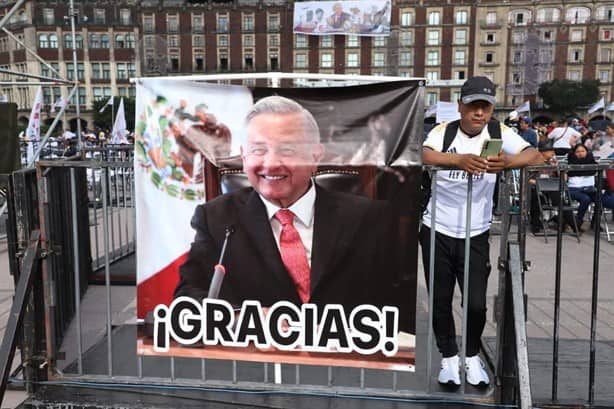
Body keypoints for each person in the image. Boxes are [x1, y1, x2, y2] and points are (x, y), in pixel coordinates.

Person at [174, 96, 399, 316]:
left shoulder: (369, 218)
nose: (271, 164)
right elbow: (187, 296)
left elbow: (394, 302)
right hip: (255, 350)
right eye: (258, 150)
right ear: (244, 157)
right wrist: (238, 317)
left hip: (345, 350)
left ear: (315, 156)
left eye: (287, 150)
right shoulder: (215, 219)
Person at [419, 76, 541, 387]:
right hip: (438, 228)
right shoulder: (444, 131)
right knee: (440, 300)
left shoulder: (500, 131)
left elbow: (534, 155)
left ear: (491, 110)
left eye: (484, 107)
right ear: (460, 107)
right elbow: (425, 154)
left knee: (475, 302)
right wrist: (458, 160)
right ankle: (448, 358)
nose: (478, 114)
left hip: (476, 232)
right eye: (473, 106)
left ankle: (471, 357)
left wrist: (510, 163)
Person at [528, 140, 578, 234]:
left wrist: (557, 168)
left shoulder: (553, 162)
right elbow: (527, 179)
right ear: (543, 152)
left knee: (560, 200)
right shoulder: (534, 162)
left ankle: (575, 225)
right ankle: (535, 225)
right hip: (537, 187)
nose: (553, 153)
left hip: (552, 187)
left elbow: (564, 179)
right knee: (536, 198)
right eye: (550, 151)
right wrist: (539, 183)